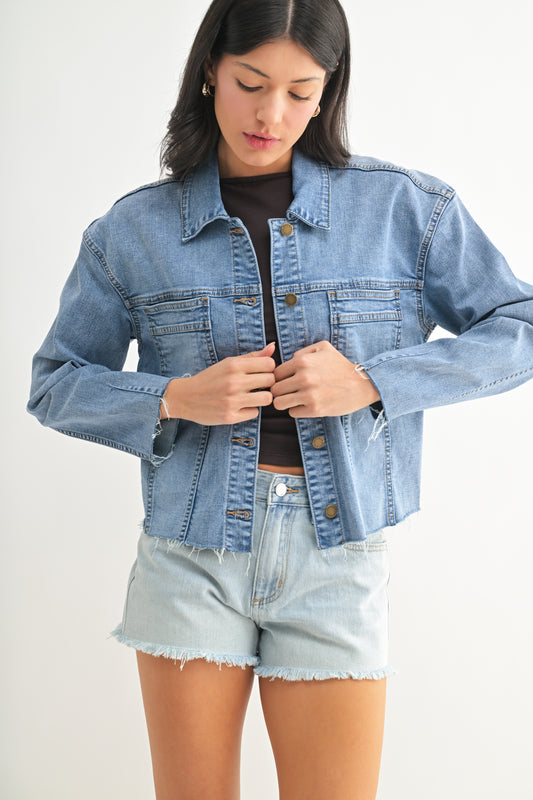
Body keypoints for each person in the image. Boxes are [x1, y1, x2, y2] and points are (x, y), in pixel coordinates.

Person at [26, 0, 533, 798]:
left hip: (335, 554)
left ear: (329, 93)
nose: (272, 114)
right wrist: (173, 398)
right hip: (190, 553)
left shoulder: (403, 208)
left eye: (302, 91)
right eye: (250, 83)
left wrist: (374, 381)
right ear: (208, 75)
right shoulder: (132, 231)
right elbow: (56, 383)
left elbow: (519, 325)